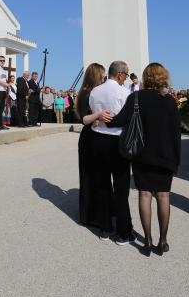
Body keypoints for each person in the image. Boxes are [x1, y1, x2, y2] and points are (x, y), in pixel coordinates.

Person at [104, 63, 181, 256]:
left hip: (141, 155)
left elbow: (119, 121)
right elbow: (176, 134)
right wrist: (176, 161)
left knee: (144, 195)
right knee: (163, 196)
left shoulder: (136, 97)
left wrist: (100, 116)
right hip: (165, 155)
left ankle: (147, 241)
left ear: (146, 77)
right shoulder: (170, 101)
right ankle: (163, 241)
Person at [89, 60, 134, 244]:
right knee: (121, 187)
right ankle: (123, 232)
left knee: (102, 184)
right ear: (121, 74)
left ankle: (105, 227)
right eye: (126, 75)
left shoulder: (95, 91)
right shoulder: (124, 92)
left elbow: (94, 113)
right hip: (117, 140)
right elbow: (127, 118)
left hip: (98, 139)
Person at [74, 63, 105, 229]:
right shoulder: (86, 93)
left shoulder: (89, 92)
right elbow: (85, 119)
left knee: (95, 176)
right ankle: (88, 216)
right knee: (89, 177)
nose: (103, 78)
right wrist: (99, 115)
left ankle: (95, 212)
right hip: (89, 138)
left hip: (93, 137)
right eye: (102, 75)